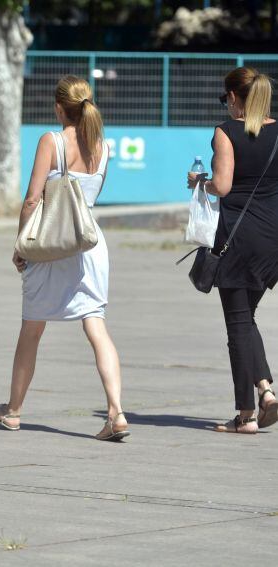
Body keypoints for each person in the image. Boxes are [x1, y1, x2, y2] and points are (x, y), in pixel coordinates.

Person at [0, 75, 129, 441]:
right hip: (89, 244)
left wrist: (21, 243)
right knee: (96, 324)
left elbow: (33, 199)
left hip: (52, 244)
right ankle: (116, 411)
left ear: (60, 107)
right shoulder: (103, 147)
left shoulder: (52, 140)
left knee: (32, 327)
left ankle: (13, 411)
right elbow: (88, 201)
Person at [186, 67, 278, 434]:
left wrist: (199, 181)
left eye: (226, 98)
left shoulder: (226, 132)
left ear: (234, 98)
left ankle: (247, 414)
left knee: (238, 322)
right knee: (247, 318)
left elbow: (222, 186)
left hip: (237, 238)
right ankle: (264, 391)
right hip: (272, 239)